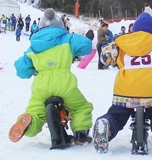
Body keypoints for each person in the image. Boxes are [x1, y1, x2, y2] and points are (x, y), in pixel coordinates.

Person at [91, 12, 152, 153]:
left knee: (118, 113)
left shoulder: (121, 43)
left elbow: (105, 57)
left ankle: (108, 124)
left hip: (125, 92)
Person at [9, 9, 94, 145]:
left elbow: (21, 70)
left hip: (41, 87)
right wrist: (74, 45)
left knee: (36, 111)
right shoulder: (68, 39)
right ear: (61, 25)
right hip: (64, 85)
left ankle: (29, 123)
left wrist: (33, 68)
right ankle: (80, 133)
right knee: (80, 107)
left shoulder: (34, 46)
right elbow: (87, 46)